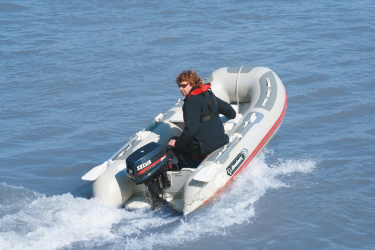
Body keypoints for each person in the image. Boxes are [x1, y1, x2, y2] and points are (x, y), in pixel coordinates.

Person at [168, 70, 236, 168]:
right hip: (221, 139)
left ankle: (191, 167)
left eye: (183, 85)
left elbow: (191, 131)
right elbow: (230, 112)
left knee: (173, 141)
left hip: (206, 147)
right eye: (179, 86)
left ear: (192, 83)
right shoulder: (207, 93)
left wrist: (177, 144)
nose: (181, 89)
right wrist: (232, 115)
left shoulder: (190, 102)